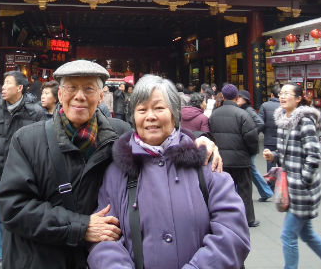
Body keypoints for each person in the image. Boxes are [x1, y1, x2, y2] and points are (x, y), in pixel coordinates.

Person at [0, 60, 222, 269]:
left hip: (94, 259)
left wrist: (197, 141)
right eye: (72, 88)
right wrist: (81, 227)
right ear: (60, 93)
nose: (79, 96)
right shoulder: (27, 140)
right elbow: (13, 207)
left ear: (101, 95)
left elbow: (157, 137)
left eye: (89, 89)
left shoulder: (119, 135)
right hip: (38, 258)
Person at [87, 75, 250, 269]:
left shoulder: (205, 162)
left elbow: (232, 233)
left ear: (174, 113)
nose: (150, 116)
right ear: (133, 117)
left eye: (159, 108)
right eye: (142, 109)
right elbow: (104, 239)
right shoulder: (117, 171)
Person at [263, 83, 321, 269]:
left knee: (287, 235)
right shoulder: (283, 121)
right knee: (307, 234)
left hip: (302, 191)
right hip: (292, 188)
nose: (282, 97)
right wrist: (273, 156)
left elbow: (314, 156)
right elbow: (287, 153)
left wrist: (303, 181)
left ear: (298, 99)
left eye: (287, 93)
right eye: (281, 93)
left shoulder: (304, 122)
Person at [0, 70, 45, 269]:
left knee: (24, 213)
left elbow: (43, 141)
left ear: (19, 88)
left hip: (24, 175)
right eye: (4, 82)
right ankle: (2, 255)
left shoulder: (35, 112)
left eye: (8, 83)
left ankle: (23, 252)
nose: (3, 87)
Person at [209, 83, 260, 227]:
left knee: (223, 190)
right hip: (241, 159)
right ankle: (247, 219)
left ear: (223, 96)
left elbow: (210, 135)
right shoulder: (243, 114)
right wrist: (251, 152)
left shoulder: (214, 115)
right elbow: (251, 137)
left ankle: (224, 219)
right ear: (237, 97)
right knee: (244, 190)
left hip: (222, 160)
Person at [237, 90, 273, 202]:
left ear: (245, 99)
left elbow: (260, 123)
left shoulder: (249, 110)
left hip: (249, 144)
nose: (237, 99)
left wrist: (251, 133)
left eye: (240, 97)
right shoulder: (242, 110)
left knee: (251, 169)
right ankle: (265, 192)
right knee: (250, 169)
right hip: (246, 144)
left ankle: (266, 192)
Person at [258, 84, 281, 171]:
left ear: (271, 95)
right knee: (283, 167)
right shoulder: (286, 106)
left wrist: (265, 132)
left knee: (270, 167)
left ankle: (271, 180)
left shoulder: (265, 106)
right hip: (283, 141)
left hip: (269, 141)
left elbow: (260, 123)